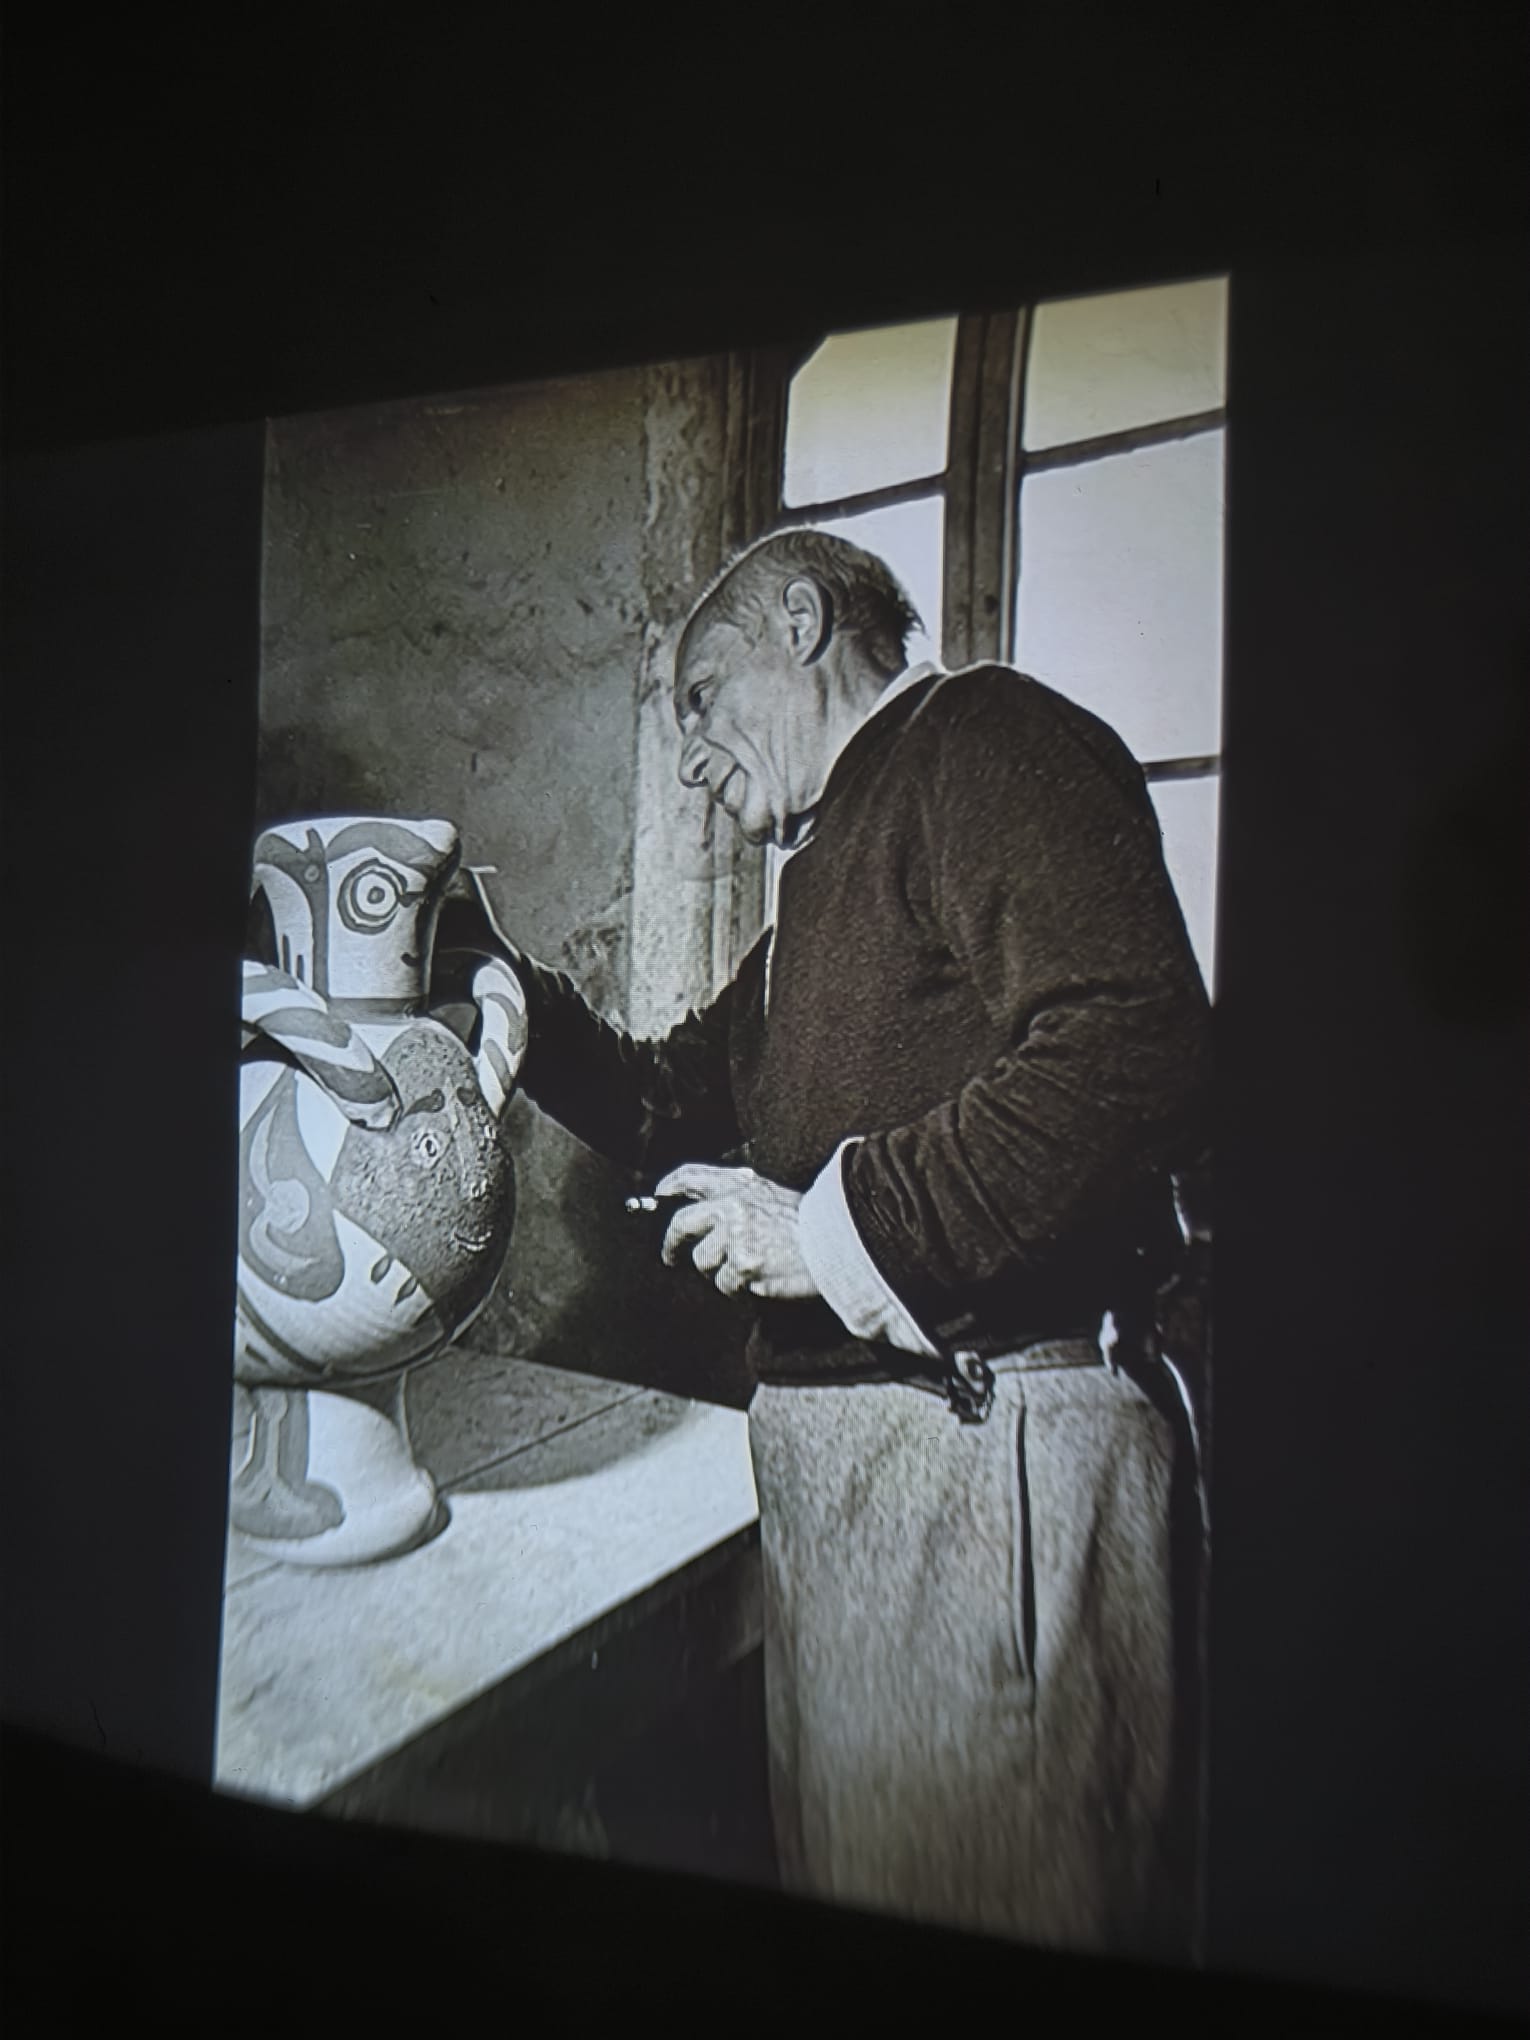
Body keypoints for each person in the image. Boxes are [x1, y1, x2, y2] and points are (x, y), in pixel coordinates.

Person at [433, 527, 1213, 1962]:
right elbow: (670, 1101)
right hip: (867, 1495)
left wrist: (829, 1228)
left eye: (702, 699)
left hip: (990, 1472)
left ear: (800, 622)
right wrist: (499, 980)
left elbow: (1134, 1039)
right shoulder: (824, 877)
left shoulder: (981, 739)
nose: (691, 759)